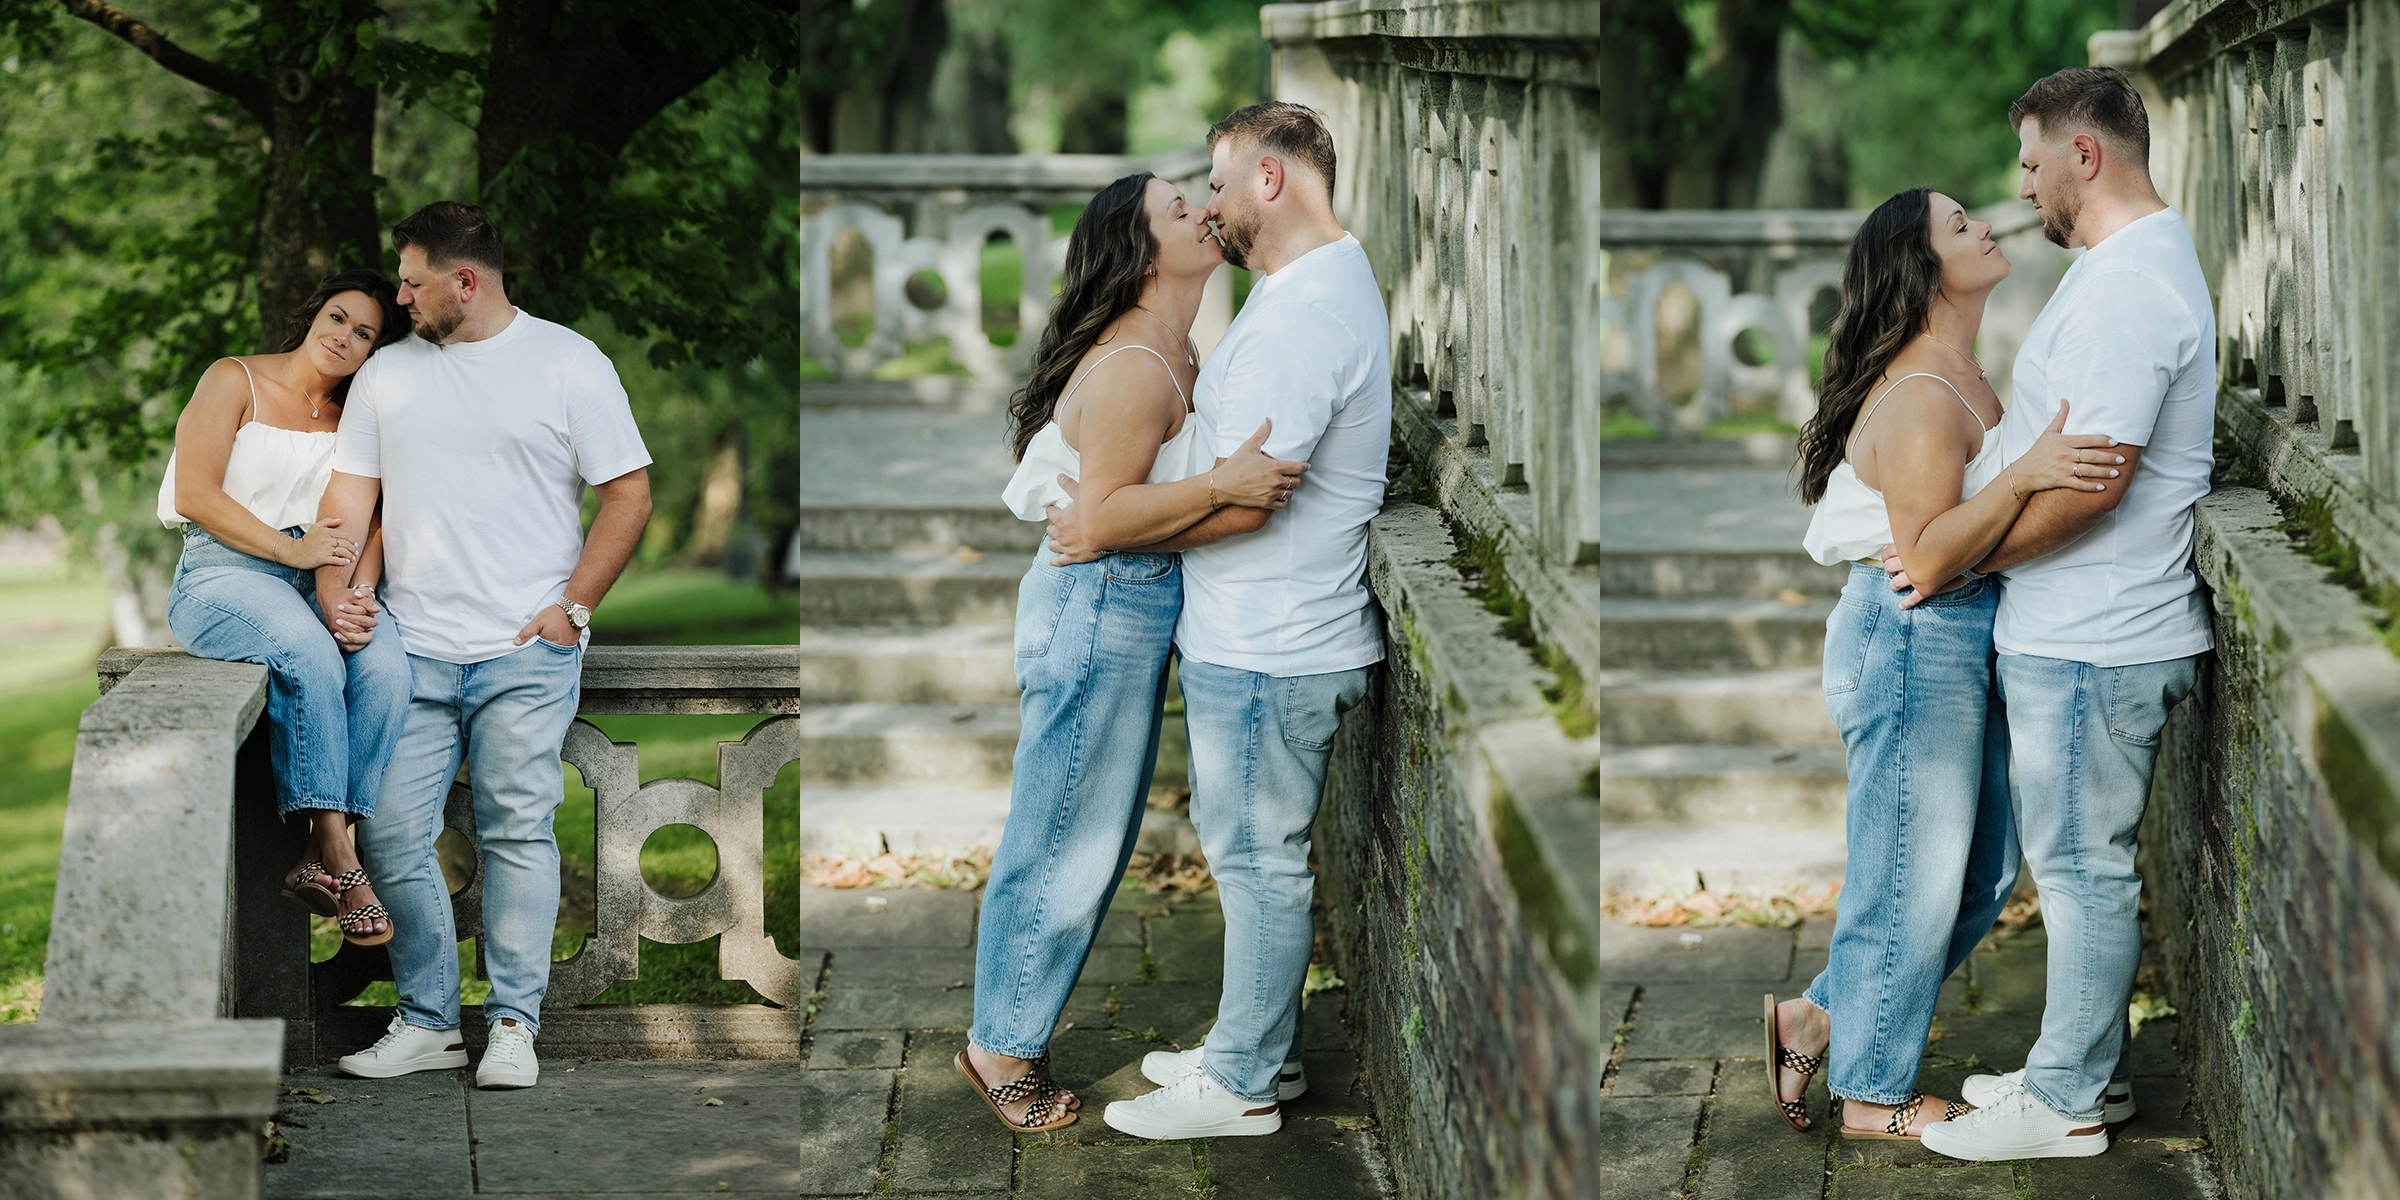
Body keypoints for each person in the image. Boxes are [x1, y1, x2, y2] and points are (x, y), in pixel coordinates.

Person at [1050, 101, 1391, 1141]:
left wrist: (1110, 529)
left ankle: (1240, 1085)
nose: (1210, 205)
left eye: (1218, 181)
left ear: (1271, 180)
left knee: (1256, 864)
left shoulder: (1299, 318)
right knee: (1253, 858)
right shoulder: (1308, 290)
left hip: (1271, 643)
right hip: (1266, 634)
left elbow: (1249, 499)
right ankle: (1260, 1049)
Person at [1768, 188, 2123, 1141]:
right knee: (1911, 878)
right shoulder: (1924, 396)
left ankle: (1818, 1014)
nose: (1986, 227)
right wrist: (2027, 472)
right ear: (1924, 269)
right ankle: (1873, 1096)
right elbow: (1924, 559)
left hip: (1959, 638)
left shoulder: (1959, 369)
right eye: (1959, 224)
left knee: (1982, 871)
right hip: (1912, 639)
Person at [958, 170, 1308, 1132]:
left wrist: (1215, 505)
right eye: (1178, 206)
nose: (1204, 208)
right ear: (1143, 248)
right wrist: (1226, 484)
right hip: (1097, 608)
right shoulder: (1131, 370)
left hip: (1126, 598)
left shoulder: (1175, 348)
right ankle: (1000, 1048)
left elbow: (1115, 519)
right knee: (1066, 835)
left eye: (1200, 192)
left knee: (1091, 835)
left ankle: (1009, 1031)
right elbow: (1104, 519)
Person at [1912, 66, 2216, 1163]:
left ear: (2085, 157)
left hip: (2098, 634)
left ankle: (2068, 1106)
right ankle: (2080, 1069)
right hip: (2084, 631)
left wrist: (1962, 560)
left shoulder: (2132, 287)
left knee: (2085, 871)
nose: (2021, 183)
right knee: (2079, 864)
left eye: (2032, 161)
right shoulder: (2121, 268)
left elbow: (2094, 487)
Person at [316, 202, 653, 1090]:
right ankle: (429, 1019)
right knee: (389, 832)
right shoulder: (388, 374)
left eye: (413, 281)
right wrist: (338, 594)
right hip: (411, 648)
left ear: (465, 281)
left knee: (516, 832)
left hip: (523, 650)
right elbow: (352, 498)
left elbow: (629, 495)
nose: (399, 296)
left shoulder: (569, 363)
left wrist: (571, 609)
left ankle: (512, 1023)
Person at [160, 269, 414, 949]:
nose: (344, 337)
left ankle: (320, 851)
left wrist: (360, 595)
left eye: (364, 333)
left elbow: (379, 518)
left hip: (325, 579)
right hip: (222, 571)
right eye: (337, 318)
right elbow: (195, 494)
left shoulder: (359, 418)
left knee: (388, 671)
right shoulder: (233, 379)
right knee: (305, 653)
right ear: (312, 315)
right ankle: (339, 853)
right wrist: (290, 551)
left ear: (374, 351)